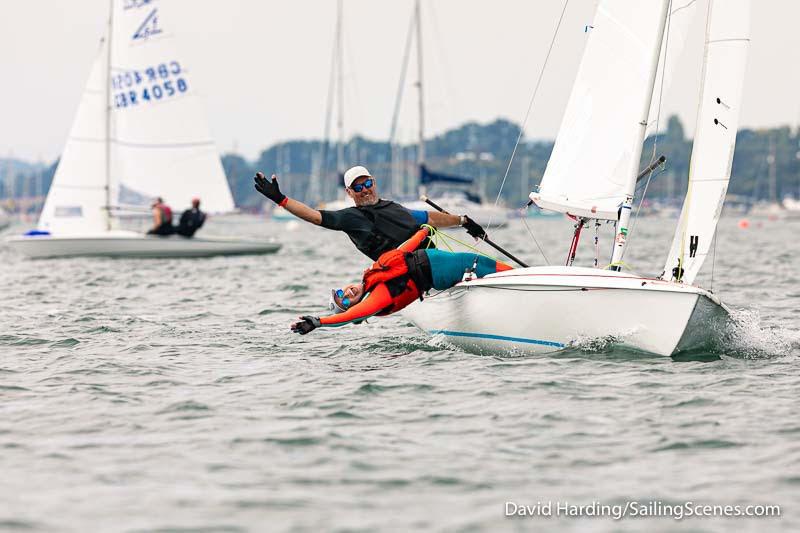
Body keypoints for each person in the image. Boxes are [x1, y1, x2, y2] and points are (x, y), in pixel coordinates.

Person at [290, 226, 513, 334]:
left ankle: (529, 278)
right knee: (498, 269)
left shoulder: (371, 277)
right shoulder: (377, 297)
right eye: (344, 301)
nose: (346, 294)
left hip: (440, 263)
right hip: (446, 269)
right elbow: (352, 317)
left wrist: (422, 234)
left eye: (341, 292)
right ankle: (535, 281)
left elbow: (400, 253)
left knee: (494, 267)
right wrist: (319, 322)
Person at [254, 165, 486, 260]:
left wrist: (464, 221)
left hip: (436, 262)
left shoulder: (394, 207)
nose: (364, 190)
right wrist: (281, 199)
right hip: (409, 277)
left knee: (475, 262)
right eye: (357, 187)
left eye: (367, 184)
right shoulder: (349, 217)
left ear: (374, 182)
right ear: (349, 192)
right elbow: (315, 216)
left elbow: (431, 218)